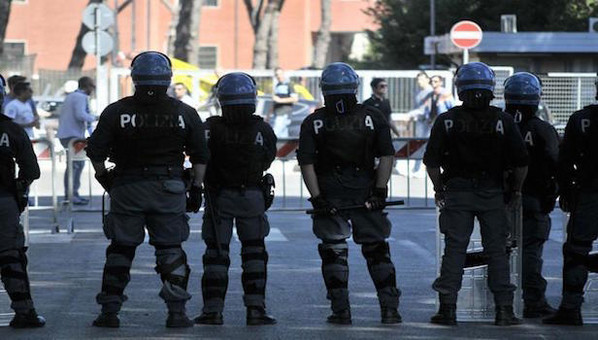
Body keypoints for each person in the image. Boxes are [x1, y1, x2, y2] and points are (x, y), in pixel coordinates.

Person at [86, 51, 208, 328]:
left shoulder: (116, 111)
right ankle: (177, 312)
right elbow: (201, 154)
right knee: (170, 249)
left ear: (134, 78)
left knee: (120, 249)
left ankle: (109, 312)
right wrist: (196, 187)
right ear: (167, 79)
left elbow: (95, 151)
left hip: (127, 187)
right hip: (169, 188)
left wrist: (104, 177)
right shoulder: (184, 112)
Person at [424, 62, 528, 326]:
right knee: (497, 251)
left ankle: (447, 309)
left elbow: (432, 162)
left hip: (458, 193)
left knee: (455, 249)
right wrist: (515, 190)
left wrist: (439, 188)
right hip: (493, 193)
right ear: (490, 89)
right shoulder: (503, 120)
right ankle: (504, 310)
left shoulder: (446, 121)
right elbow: (520, 162)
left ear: (460, 89)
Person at [298, 62, 402, 325]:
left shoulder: (315, 121)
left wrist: (317, 197)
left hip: (330, 192)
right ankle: (389, 309)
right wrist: (379, 190)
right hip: (365, 190)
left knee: (334, 253)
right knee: (377, 251)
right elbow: (387, 155)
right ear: (354, 87)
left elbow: (307, 163)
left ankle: (341, 310)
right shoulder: (372, 117)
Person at [194, 72, 278, 326]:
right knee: (254, 253)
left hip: (218, 198)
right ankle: (255, 310)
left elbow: (199, 157)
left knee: (216, 255)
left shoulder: (209, 128)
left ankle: (213, 310)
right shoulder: (262, 128)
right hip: (251, 196)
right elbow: (268, 158)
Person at [503, 72, 559, 318]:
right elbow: (556, 165)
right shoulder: (543, 129)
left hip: (499, 200)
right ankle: (534, 301)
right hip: (534, 200)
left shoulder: (496, 124)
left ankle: (501, 300)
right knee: (531, 253)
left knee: (499, 251)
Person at [543, 77, 598, 326]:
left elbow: (564, 161)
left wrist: (565, 191)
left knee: (576, 250)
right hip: (587, 193)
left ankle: (571, 307)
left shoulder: (581, 120)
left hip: (589, 194)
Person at [0, 74, 46, 328]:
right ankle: (24, 311)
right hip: (3, 200)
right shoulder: (11, 129)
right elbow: (32, 170)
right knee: (10, 255)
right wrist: (20, 188)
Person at [56, 76, 97, 205]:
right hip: (72, 136)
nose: (93, 89)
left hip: (68, 134)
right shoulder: (80, 97)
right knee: (75, 166)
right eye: (92, 86)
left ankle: (71, 193)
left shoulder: (71, 96)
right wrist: (95, 117)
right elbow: (80, 115)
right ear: (86, 86)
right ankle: (72, 194)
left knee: (74, 165)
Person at [268, 67, 298, 138]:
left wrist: (280, 100)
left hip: (284, 113)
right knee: (283, 136)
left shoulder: (289, 84)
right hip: (277, 113)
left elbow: (295, 99)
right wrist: (269, 114)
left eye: (280, 74)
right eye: (277, 75)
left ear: (283, 74)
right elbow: (274, 101)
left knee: (275, 134)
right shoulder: (277, 85)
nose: (278, 76)